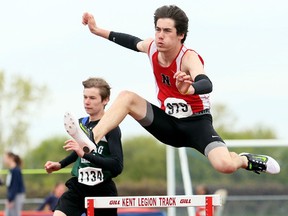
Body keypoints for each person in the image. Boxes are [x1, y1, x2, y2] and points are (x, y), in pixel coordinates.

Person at [80, 5, 280, 176]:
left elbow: (206, 83)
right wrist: (97, 30)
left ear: (181, 35)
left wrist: (189, 89)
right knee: (127, 97)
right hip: (167, 125)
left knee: (224, 165)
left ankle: (243, 159)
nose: (160, 36)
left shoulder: (188, 57)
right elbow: (131, 41)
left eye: (167, 31)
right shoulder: (151, 47)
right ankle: (92, 138)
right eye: (158, 29)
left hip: (197, 126)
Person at [44, 77, 123, 216]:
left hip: (102, 190)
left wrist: (85, 155)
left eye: (92, 98)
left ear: (105, 100)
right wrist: (60, 164)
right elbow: (78, 152)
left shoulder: (112, 128)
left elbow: (117, 166)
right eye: (85, 97)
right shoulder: (81, 124)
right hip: (78, 187)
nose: (87, 102)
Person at [3, 152, 26, 216]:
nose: (4, 160)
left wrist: (11, 199)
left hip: (16, 195)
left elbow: (15, 186)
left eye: (6, 158)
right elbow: (9, 184)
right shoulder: (11, 170)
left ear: (11, 158)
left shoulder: (16, 170)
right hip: (12, 196)